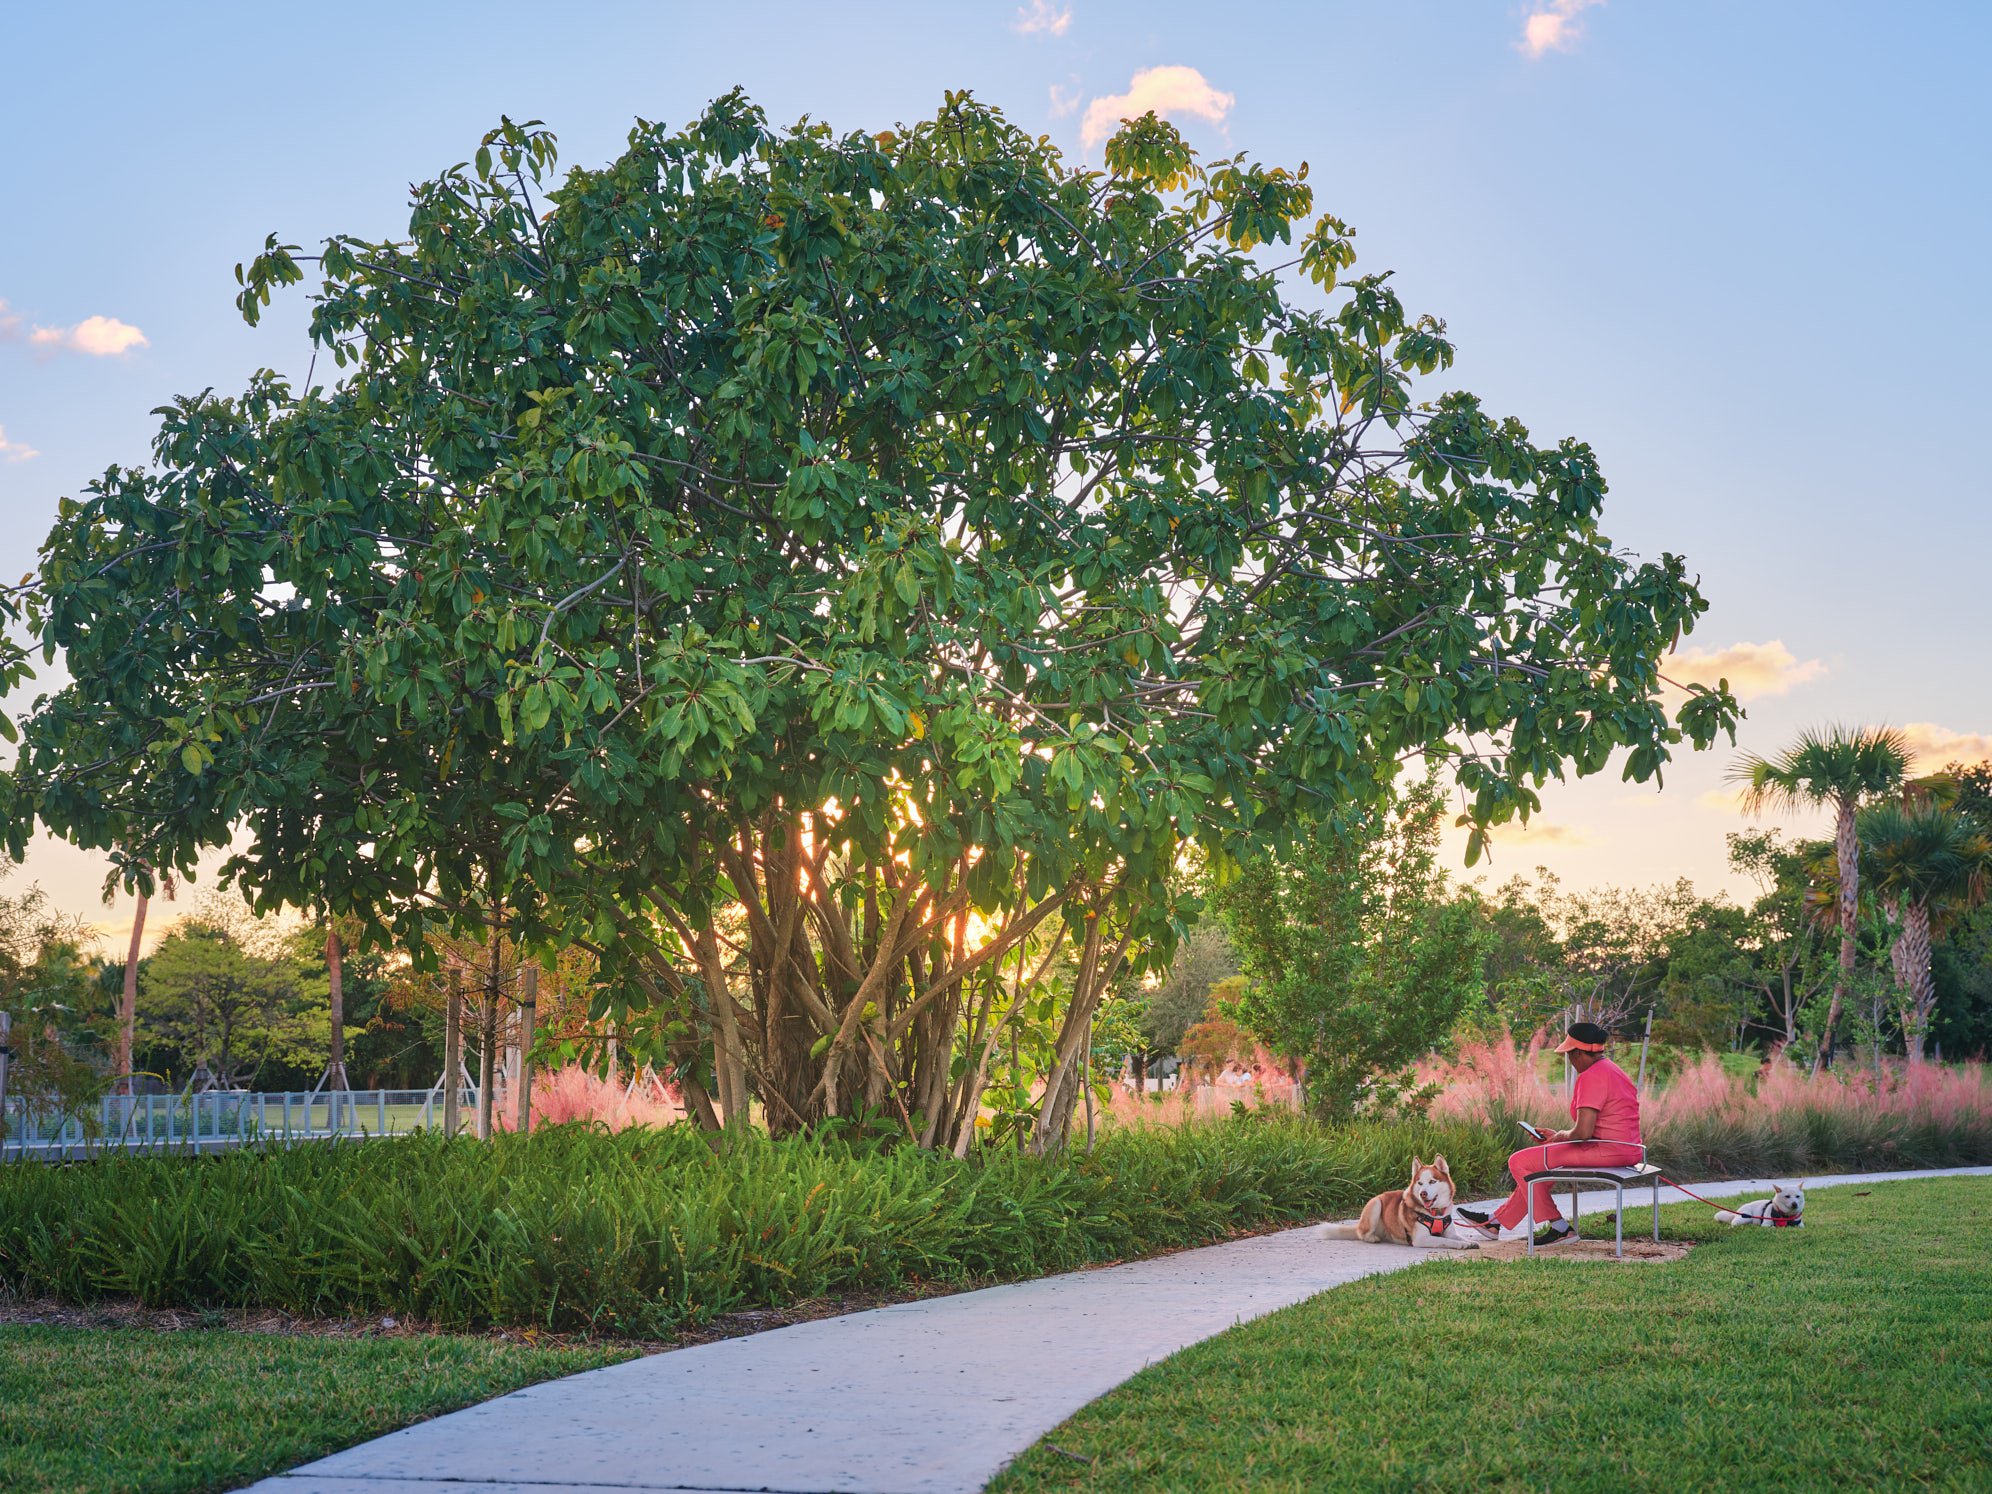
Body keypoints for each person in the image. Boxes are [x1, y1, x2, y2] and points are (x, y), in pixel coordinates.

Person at [1461, 1021, 1643, 1246]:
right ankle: (1495, 1221)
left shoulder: (1592, 1075)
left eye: (1569, 1054)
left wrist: (1559, 1137)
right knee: (1538, 1165)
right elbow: (1600, 1126)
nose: (1569, 1060)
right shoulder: (1613, 1070)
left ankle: (1560, 1228)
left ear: (1578, 1053)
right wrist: (1559, 1136)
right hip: (1627, 1149)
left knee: (1519, 1162)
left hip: (1610, 1150)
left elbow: (1583, 1131)